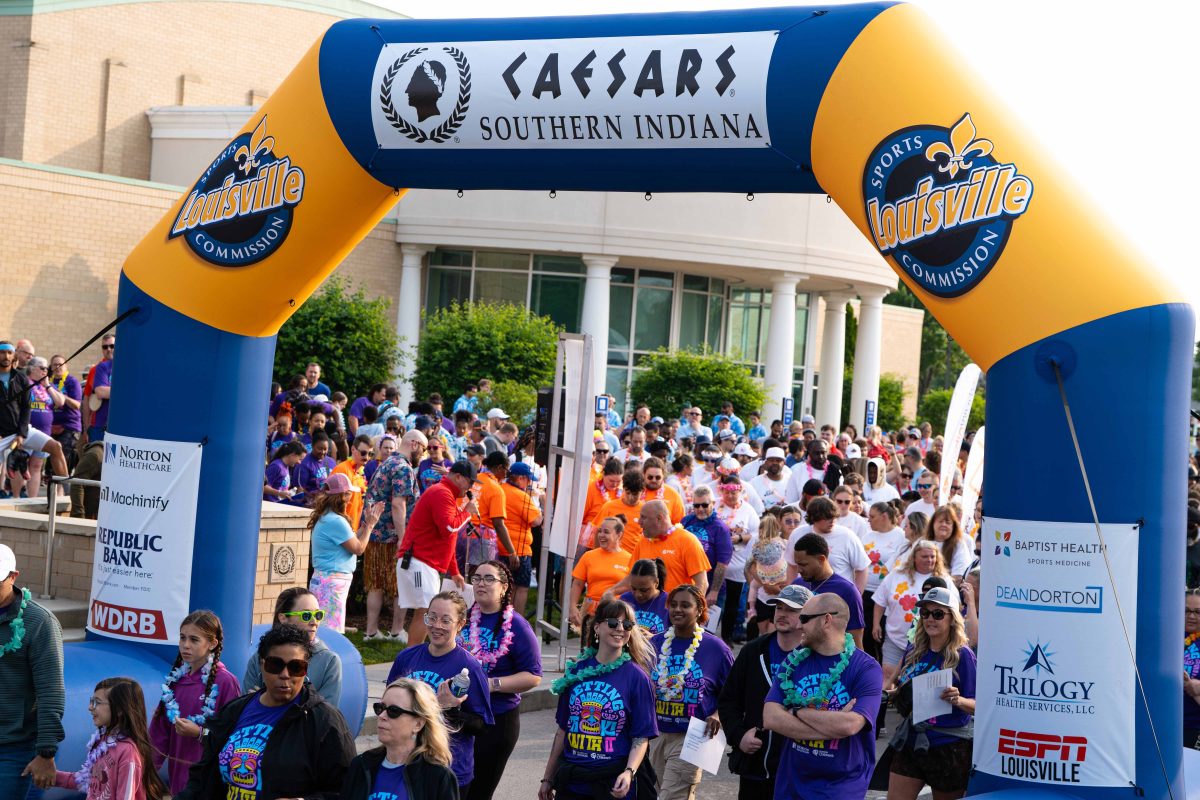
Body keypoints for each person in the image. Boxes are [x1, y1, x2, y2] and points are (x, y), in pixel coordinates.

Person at [179, 624, 356, 800]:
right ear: (262, 665)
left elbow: (349, 789)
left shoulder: (325, 721)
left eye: (296, 667)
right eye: (275, 664)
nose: (285, 674)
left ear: (306, 670)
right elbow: (202, 778)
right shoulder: (234, 711)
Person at [762, 593, 883, 800]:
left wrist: (796, 711)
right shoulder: (793, 661)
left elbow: (850, 725)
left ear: (827, 620)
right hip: (792, 783)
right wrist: (831, 728)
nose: (799, 625)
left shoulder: (866, 668)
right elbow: (771, 717)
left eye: (804, 618)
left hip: (840, 786)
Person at [541, 598, 658, 800]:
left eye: (627, 624)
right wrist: (547, 778)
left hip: (612, 783)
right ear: (597, 627)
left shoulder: (637, 677)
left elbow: (641, 736)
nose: (620, 628)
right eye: (613, 622)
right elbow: (563, 730)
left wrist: (629, 772)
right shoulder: (576, 671)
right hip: (572, 782)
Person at [386, 591, 494, 793]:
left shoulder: (469, 668)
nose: (437, 625)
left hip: (448, 771)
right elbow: (389, 706)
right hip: (405, 765)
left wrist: (450, 710)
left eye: (446, 620)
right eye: (432, 617)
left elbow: (481, 726)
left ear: (460, 624)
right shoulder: (406, 658)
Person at [717, 584, 813, 800]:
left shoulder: (816, 657)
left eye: (791, 610)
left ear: (807, 616)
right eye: (779, 608)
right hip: (756, 766)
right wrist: (739, 736)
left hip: (800, 767)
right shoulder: (752, 651)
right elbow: (728, 701)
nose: (782, 614)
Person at [885, 587, 976, 800]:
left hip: (948, 744)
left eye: (938, 614)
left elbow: (979, 705)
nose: (930, 619)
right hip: (911, 739)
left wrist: (958, 700)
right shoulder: (914, 650)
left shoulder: (963, 655)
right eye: (925, 613)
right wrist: (894, 694)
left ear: (952, 618)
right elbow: (902, 688)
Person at [463, 562, 543, 800]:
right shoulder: (463, 618)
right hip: (462, 715)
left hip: (497, 720)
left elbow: (533, 676)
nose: (481, 584)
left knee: (477, 793)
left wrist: (491, 685)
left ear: (504, 587)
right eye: (477, 578)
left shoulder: (517, 625)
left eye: (489, 579)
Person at [648, 585, 732, 800]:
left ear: (699, 609)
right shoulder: (654, 644)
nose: (678, 609)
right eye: (673, 605)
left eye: (685, 605)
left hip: (692, 736)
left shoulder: (716, 648)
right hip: (655, 735)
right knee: (651, 794)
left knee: (672, 796)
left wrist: (717, 715)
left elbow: (733, 694)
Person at [149, 610, 241, 794]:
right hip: (178, 782)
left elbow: (234, 736)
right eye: (182, 638)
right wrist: (146, 772)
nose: (185, 645)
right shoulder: (175, 681)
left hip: (211, 784)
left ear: (212, 644)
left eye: (194, 640)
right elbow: (158, 735)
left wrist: (199, 733)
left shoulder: (226, 682)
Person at [0, 543, 64, 797]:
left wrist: (46, 752)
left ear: (13, 577)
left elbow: (51, 691)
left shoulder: (39, 622)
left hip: (14, 748)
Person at [396, 461, 478, 645]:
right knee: (426, 612)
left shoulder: (445, 493)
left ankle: (414, 655)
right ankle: (412, 658)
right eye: (470, 482)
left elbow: (448, 540)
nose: (470, 488)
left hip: (423, 563)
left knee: (426, 612)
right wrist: (467, 513)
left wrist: (454, 571)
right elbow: (449, 528)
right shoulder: (442, 493)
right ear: (458, 477)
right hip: (418, 562)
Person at [342, 678, 459, 800]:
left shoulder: (438, 777)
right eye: (380, 708)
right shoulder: (361, 765)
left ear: (418, 724)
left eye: (393, 711)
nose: (382, 716)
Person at [56, 676, 167, 800]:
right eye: (91, 701)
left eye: (97, 702)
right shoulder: (102, 740)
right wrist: (53, 776)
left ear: (119, 709)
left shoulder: (128, 752)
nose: (90, 707)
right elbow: (89, 782)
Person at [364, 429, 425, 642]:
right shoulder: (403, 468)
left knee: (376, 584)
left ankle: (371, 632)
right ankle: (397, 631)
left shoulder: (387, 462)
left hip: (376, 534)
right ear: (414, 444)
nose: (423, 454)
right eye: (423, 448)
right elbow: (399, 505)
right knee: (401, 585)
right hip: (392, 537)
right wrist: (403, 538)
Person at [873, 540, 959, 690]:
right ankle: (887, 701)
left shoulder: (944, 579)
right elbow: (880, 600)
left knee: (913, 680)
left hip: (926, 642)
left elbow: (954, 608)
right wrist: (876, 624)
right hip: (895, 637)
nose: (929, 560)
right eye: (925, 556)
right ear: (914, 557)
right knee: (888, 674)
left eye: (933, 556)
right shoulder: (897, 574)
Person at [307, 473, 383, 633]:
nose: (350, 498)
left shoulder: (329, 517)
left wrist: (365, 524)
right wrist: (370, 526)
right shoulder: (336, 520)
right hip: (331, 583)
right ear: (341, 496)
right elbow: (358, 548)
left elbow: (350, 540)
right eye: (348, 494)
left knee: (323, 630)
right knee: (330, 633)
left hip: (327, 581)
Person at [243, 587, 343, 704]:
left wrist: (266, 700)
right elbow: (247, 705)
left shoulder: (329, 661)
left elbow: (324, 712)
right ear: (283, 618)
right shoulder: (259, 658)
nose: (314, 622)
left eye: (318, 615)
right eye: (306, 615)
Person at [605, 500, 711, 599]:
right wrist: (611, 592)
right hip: (645, 610)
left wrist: (687, 608)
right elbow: (632, 579)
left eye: (643, 517)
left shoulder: (687, 541)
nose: (639, 522)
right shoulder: (642, 542)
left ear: (659, 518)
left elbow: (702, 584)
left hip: (674, 609)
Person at [0, 342, 68, 489]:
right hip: (2, 435)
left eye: (9, 353)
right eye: (2, 352)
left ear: (14, 355)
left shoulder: (21, 378)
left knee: (56, 447)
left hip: (22, 431)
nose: (6, 356)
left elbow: (26, 408)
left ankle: (69, 489)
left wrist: (22, 433)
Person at [790, 533, 866, 646]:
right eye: (797, 564)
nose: (798, 570)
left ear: (821, 559)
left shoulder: (847, 591)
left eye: (803, 564)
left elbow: (855, 639)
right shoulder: (796, 585)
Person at [570, 517, 633, 643]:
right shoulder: (589, 556)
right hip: (591, 613)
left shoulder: (629, 559)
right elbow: (577, 584)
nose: (601, 535)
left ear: (619, 535)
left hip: (617, 614)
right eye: (600, 531)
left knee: (613, 649)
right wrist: (572, 607)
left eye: (606, 532)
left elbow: (632, 587)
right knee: (589, 648)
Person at [787, 497, 869, 591]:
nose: (832, 520)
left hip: (838, 595)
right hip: (805, 594)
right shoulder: (798, 534)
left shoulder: (847, 536)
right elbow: (792, 566)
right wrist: (790, 592)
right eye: (827, 517)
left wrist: (856, 594)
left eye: (834, 516)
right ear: (814, 518)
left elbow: (862, 569)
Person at [862, 502, 907, 662]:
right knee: (867, 634)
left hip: (887, 595)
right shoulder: (868, 536)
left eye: (872, 516)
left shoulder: (900, 536)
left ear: (884, 516)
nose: (869, 520)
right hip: (867, 592)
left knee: (882, 634)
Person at [679, 485, 732, 615]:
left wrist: (714, 591)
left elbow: (722, 564)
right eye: (696, 506)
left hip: (710, 589)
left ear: (713, 503)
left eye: (704, 505)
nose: (700, 509)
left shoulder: (721, 529)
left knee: (704, 627)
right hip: (685, 586)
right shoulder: (686, 521)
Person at [499, 461, 543, 614]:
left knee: (504, 587)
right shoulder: (520, 496)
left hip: (500, 546)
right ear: (520, 478)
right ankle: (515, 621)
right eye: (528, 479)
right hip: (519, 549)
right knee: (521, 588)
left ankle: (503, 619)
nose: (529, 483)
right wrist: (536, 504)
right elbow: (536, 520)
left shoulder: (500, 489)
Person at [745, 515, 790, 637]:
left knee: (753, 586)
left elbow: (749, 565)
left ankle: (751, 609)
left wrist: (765, 582)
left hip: (771, 592)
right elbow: (750, 565)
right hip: (774, 589)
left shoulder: (758, 545)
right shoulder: (784, 543)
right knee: (769, 633)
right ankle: (752, 609)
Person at [331, 434, 373, 532]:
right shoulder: (342, 470)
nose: (367, 457)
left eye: (370, 454)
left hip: (353, 528)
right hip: (339, 528)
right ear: (353, 449)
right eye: (363, 453)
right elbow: (332, 503)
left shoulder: (360, 473)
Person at [47, 355, 82, 469]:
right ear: (51, 367)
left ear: (66, 366)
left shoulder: (72, 382)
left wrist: (60, 396)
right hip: (50, 428)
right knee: (49, 467)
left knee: (62, 465)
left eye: (60, 364)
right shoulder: (48, 382)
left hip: (69, 428)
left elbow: (77, 405)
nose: (58, 367)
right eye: (55, 364)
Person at [621, 558, 670, 636]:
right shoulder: (625, 599)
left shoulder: (669, 602)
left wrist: (653, 637)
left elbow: (676, 635)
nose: (638, 594)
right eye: (634, 588)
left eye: (644, 590)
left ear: (656, 583)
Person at [926, 505, 973, 580]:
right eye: (940, 521)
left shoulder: (958, 545)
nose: (943, 524)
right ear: (933, 524)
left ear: (953, 526)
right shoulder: (923, 542)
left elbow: (959, 575)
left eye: (947, 522)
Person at [82, 334, 114, 443]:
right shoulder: (95, 370)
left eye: (112, 346)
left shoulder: (126, 366)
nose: (108, 349)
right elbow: (86, 398)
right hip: (98, 426)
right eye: (105, 347)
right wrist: (86, 427)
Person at [1186, 589, 1200, 750]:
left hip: (1195, 726)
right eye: (1186, 610)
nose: (1191, 616)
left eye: (1197, 612)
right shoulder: (1166, 636)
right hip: (1165, 722)